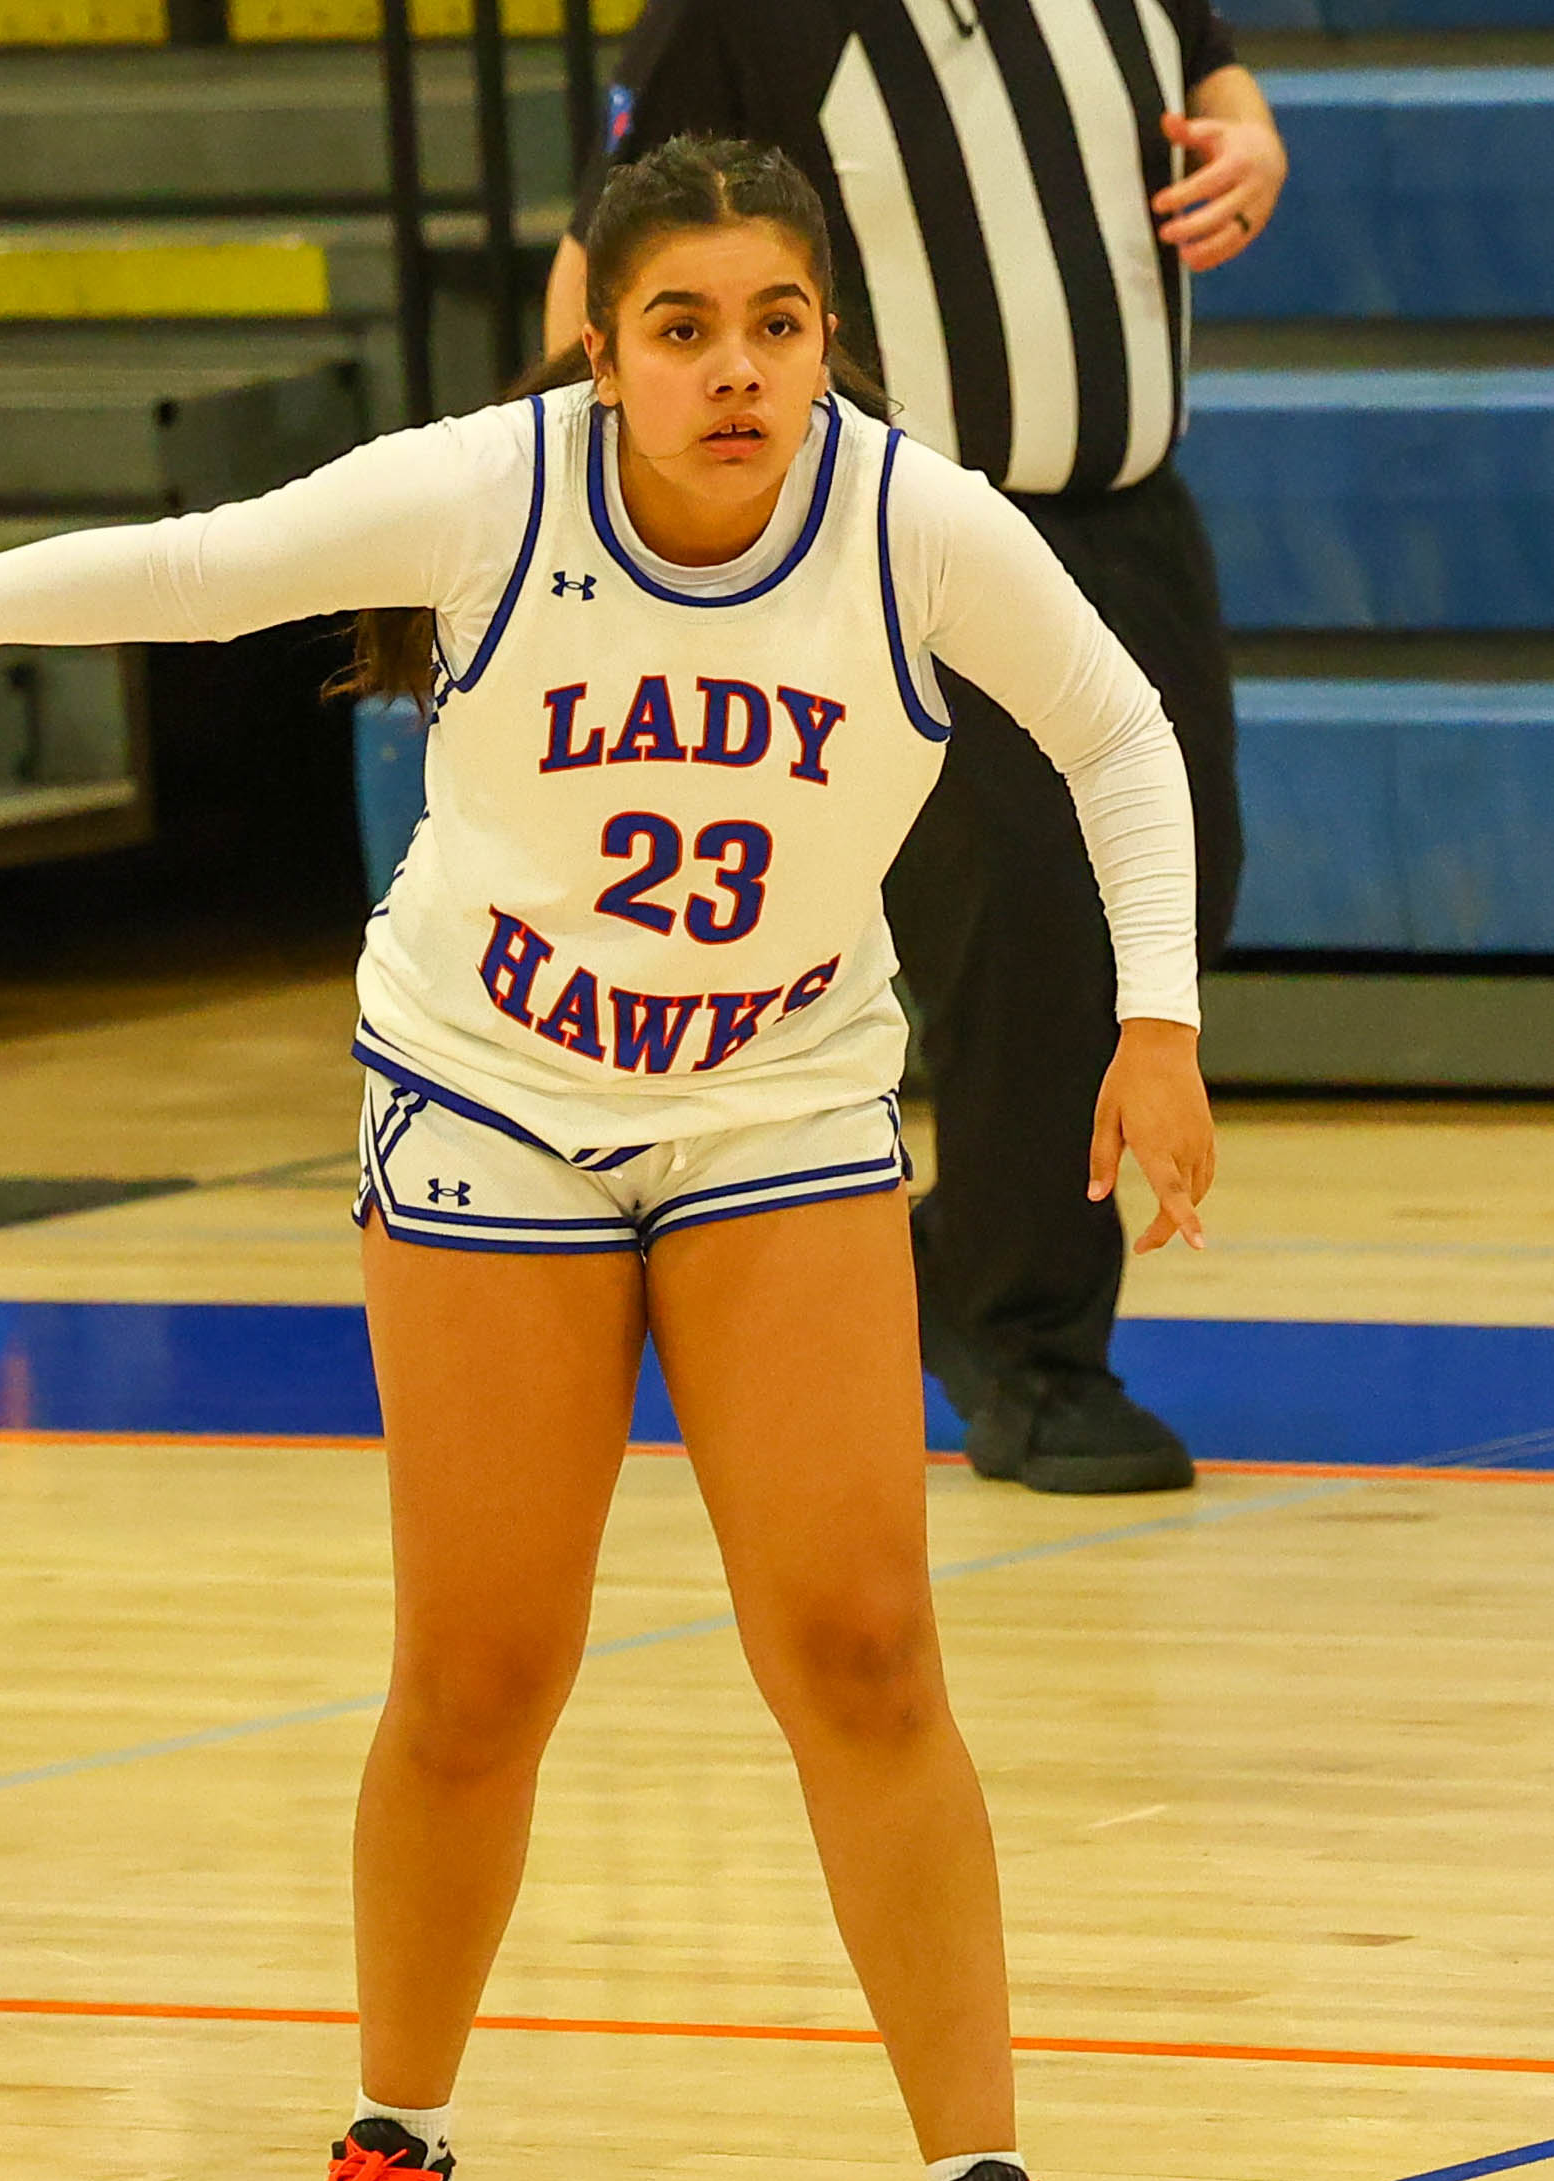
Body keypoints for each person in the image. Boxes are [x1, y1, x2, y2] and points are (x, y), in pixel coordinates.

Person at [0, 137, 1213, 2181]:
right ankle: (389, 2144)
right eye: (682, 327)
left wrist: (1156, 1023)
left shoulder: (915, 522)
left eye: (774, 325)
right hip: (491, 1093)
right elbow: (200, 568)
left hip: (776, 1100)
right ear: (600, 344)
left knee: (867, 1648)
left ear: (826, 344)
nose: (734, 370)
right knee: (480, 1674)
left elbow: (1116, 730)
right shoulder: (489, 491)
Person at [548, 0, 1284, 1496]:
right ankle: (1029, 1354)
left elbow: (1210, 64)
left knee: (1178, 897)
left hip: (1134, 518)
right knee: (1028, 936)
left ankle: (958, 1258)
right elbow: (605, 262)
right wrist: (564, 534)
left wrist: (1248, 138)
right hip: (912, 548)